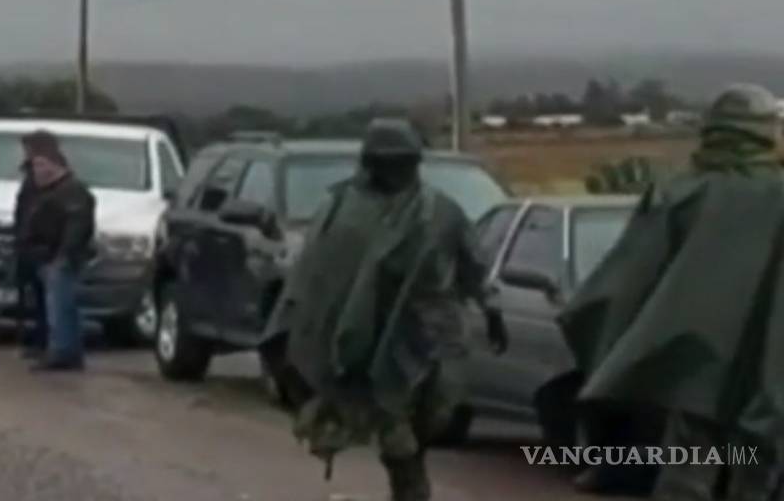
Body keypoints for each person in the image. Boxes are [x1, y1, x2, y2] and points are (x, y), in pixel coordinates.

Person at [559, 83, 784, 501]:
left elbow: (622, 283)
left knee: (688, 472)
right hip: (771, 369)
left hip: (690, 365)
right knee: (759, 472)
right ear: (766, 132)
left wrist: (607, 345)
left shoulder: (677, 192)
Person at [266, 119, 507, 500]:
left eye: (408, 163)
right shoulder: (342, 209)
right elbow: (314, 273)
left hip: (432, 335)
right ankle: (410, 487)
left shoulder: (440, 212)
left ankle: (410, 472)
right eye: (393, 163)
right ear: (372, 164)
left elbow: (473, 264)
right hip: (372, 334)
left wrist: (491, 308)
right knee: (397, 434)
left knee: (434, 418)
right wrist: (293, 326)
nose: (402, 172)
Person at [18, 129, 96, 371]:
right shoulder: (44, 191)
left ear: (55, 165)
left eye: (40, 165)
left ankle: (62, 352)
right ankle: (64, 350)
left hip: (59, 258)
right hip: (45, 256)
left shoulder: (72, 192)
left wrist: (63, 256)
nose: (35, 171)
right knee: (58, 305)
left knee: (61, 306)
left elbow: (76, 227)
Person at [12, 158, 48, 359]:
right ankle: (35, 340)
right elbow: (21, 216)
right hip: (27, 248)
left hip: (38, 250)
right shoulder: (29, 188)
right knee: (35, 298)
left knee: (42, 299)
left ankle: (42, 342)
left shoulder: (44, 190)